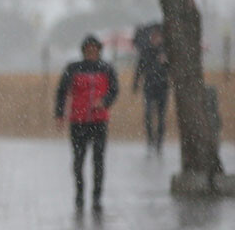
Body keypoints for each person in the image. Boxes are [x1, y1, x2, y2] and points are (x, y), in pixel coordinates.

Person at [55, 34, 118, 211]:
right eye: (88, 49)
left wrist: (104, 102)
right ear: (83, 51)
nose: (91, 52)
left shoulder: (106, 68)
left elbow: (114, 90)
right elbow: (61, 91)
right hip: (78, 121)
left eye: (94, 49)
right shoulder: (73, 68)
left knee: (98, 160)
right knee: (78, 160)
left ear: (99, 50)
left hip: (99, 121)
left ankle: (97, 196)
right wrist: (60, 114)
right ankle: (79, 193)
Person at [133, 27, 169, 154]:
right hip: (149, 86)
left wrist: (166, 62)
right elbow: (139, 68)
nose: (156, 39)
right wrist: (136, 83)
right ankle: (150, 139)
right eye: (154, 37)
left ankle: (159, 141)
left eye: (158, 37)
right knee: (148, 113)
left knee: (161, 116)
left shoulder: (165, 51)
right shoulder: (146, 51)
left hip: (163, 87)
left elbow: (171, 69)